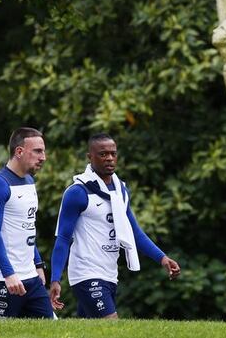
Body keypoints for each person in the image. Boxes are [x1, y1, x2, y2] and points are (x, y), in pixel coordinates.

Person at [49, 133, 181, 318]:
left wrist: (162, 258)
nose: (109, 158)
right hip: (86, 273)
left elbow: (134, 232)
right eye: (103, 154)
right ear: (90, 157)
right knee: (111, 326)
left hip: (110, 274)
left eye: (113, 153)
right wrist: (55, 278)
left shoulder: (120, 190)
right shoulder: (78, 192)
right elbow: (63, 238)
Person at [0, 127, 54, 318]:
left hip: (30, 275)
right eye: (37, 151)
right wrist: (8, 274)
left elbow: (27, 228)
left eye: (43, 151)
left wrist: (38, 264)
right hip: (1, 277)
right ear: (19, 152)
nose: (43, 157)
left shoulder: (29, 180)